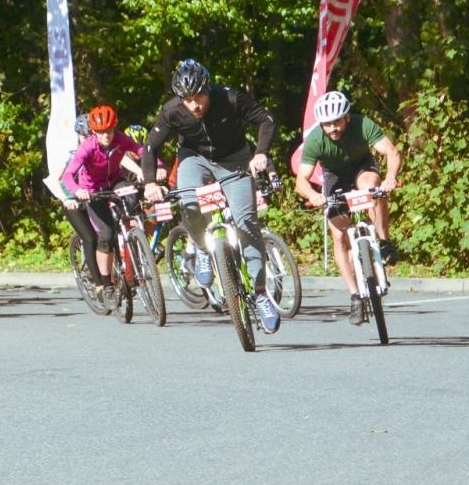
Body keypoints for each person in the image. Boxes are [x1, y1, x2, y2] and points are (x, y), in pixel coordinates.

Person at [142, 59, 281, 333]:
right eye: (188, 100)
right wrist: (149, 183)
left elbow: (267, 120)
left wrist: (261, 152)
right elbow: (149, 147)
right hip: (195, 159)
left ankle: (261, 292)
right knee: (189, 202)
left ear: (208, 89)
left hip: (234, 159)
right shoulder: (172, 111)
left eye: (200, 98)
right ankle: (203, 249)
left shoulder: (229, 98)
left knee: (246, 222)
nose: (195, 105)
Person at [293, 89, 403, 323]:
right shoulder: (315, 139)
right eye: (327, 124)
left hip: (362, 167)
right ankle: (355, 295)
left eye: (336, 122)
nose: (332, 128)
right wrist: (313, 195)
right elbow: (300, 180)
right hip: (334, 177)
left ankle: (384, 242)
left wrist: (390, 177)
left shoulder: (363, 124)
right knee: (338, 235)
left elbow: (392, 152)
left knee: (372, 188)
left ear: (347, 118)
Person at [60, 104, 145, 299]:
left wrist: (156, 166)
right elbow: (67, 176)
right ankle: (105, 283)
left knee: (133, 196)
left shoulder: (120, 139)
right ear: (94, 132)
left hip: (115, 181)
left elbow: (141, 150)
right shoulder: (87, 147)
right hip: (93, 190)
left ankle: (133, 238)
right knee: (105, 235)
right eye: (101, 132)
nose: (106, 135)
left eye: (109, 130)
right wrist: (78, 191)